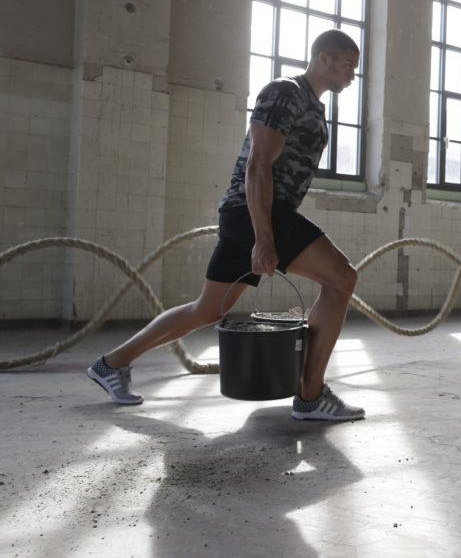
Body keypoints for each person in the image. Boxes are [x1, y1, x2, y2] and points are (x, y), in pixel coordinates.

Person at [87, 30, 364, 422]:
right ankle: (310, 395)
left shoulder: (313, 107)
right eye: (348, 65)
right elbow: (257, 165)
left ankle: (111, 364)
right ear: (323, 58)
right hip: (260, 212)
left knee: (207, 310)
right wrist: (264, 238)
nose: (352, 75)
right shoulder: (284, 92)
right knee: (342, 279)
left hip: (249, 215)